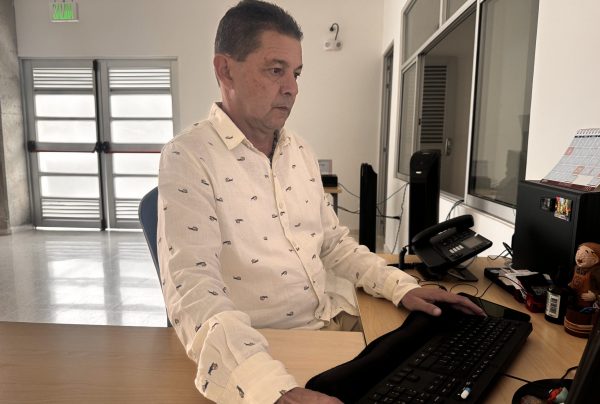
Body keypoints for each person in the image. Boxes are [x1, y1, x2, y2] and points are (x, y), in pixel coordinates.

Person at [157, 1, 484, 403]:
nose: (292, 88)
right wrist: (269, 390)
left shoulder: (299, 151)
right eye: (275, 70)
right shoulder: (188, 157)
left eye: (295, 73)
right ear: (225, 70)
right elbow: (193, 288)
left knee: (445, 364)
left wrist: (400, 286)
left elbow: (333, 244)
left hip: (332, 320)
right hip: (264, 348)